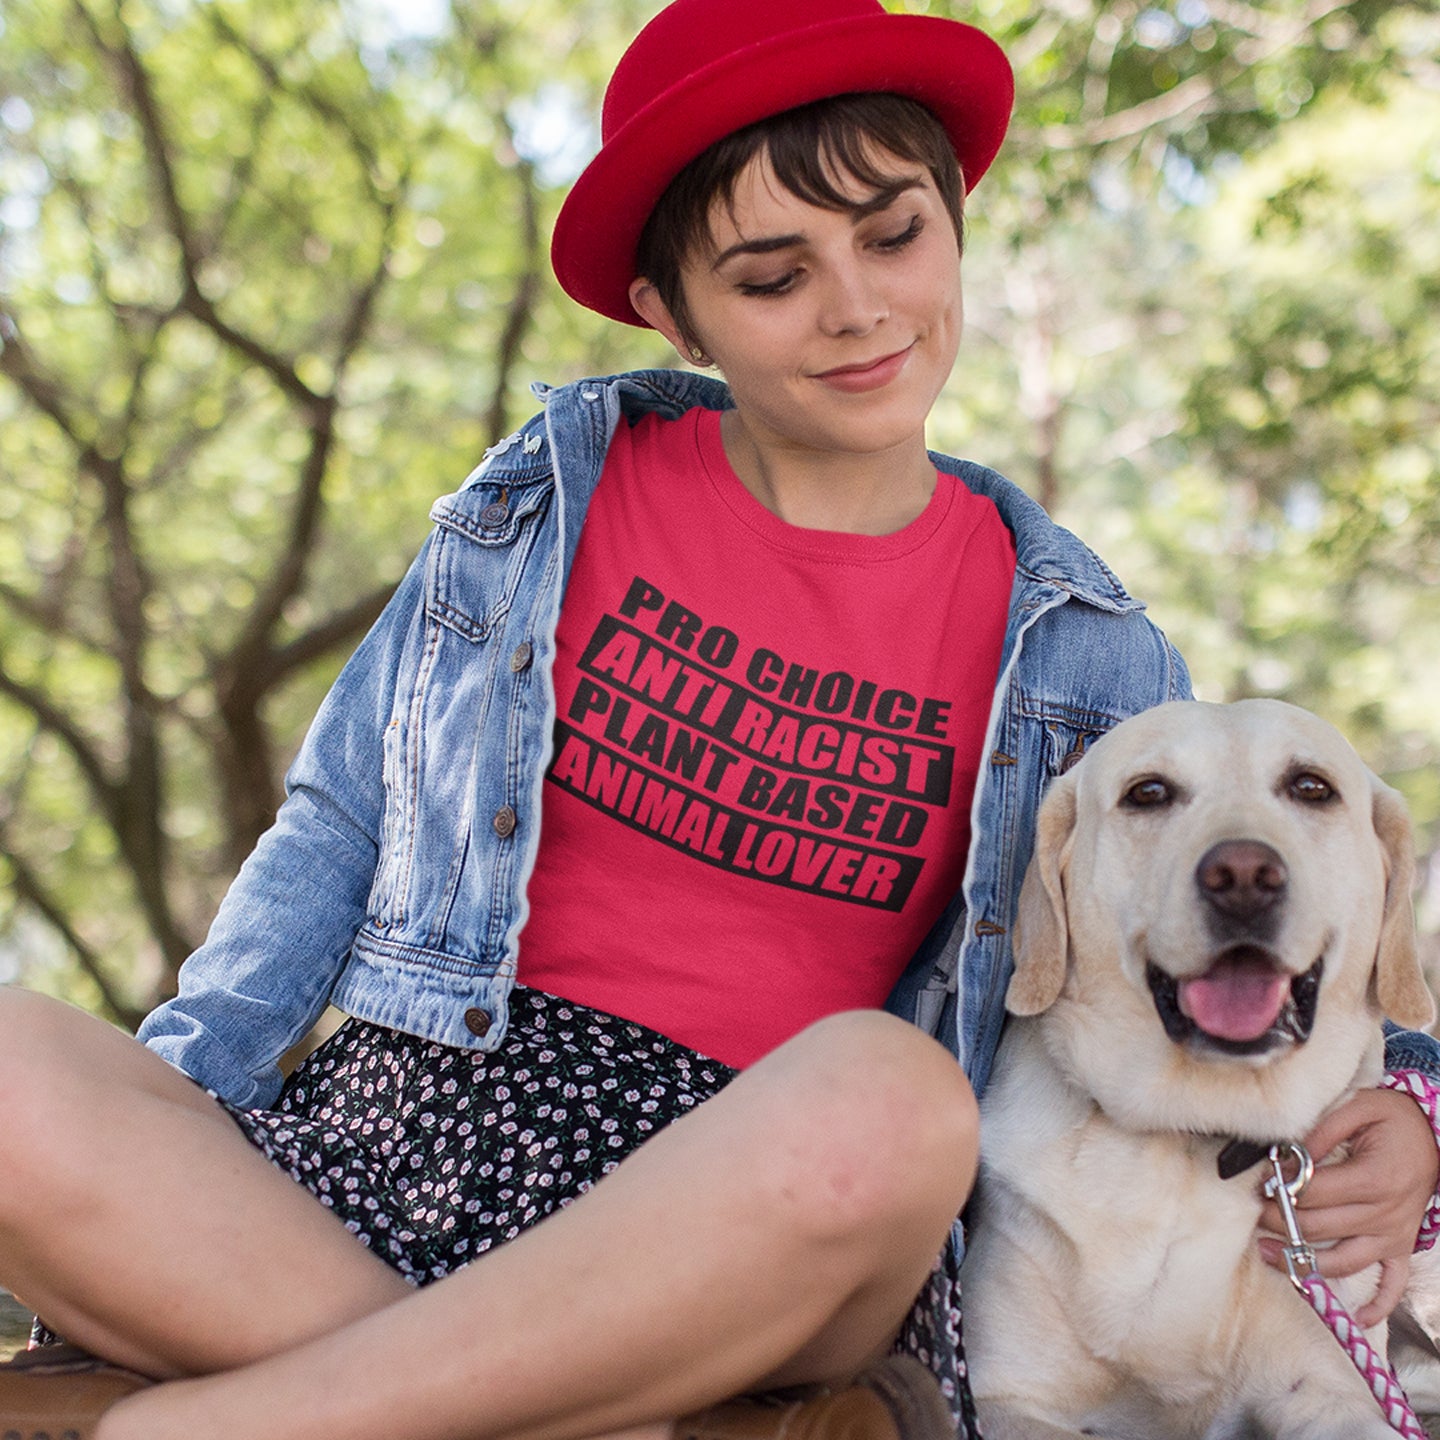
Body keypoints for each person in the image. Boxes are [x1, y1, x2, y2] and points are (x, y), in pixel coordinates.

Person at [3, 1, 1439, 1437]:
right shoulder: (546, 500)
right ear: (669, 310)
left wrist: (1421, 1106)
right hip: (385, 1149)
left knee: (900, 1102)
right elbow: (337, 823)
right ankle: (524, 1409)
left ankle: (216, 1422)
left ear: (955, 224)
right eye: (772, 275)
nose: (859, 306)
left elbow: (1232, 918)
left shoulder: (1086, 654)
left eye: (894, 236)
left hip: (753, 1220)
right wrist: (176, 1117)